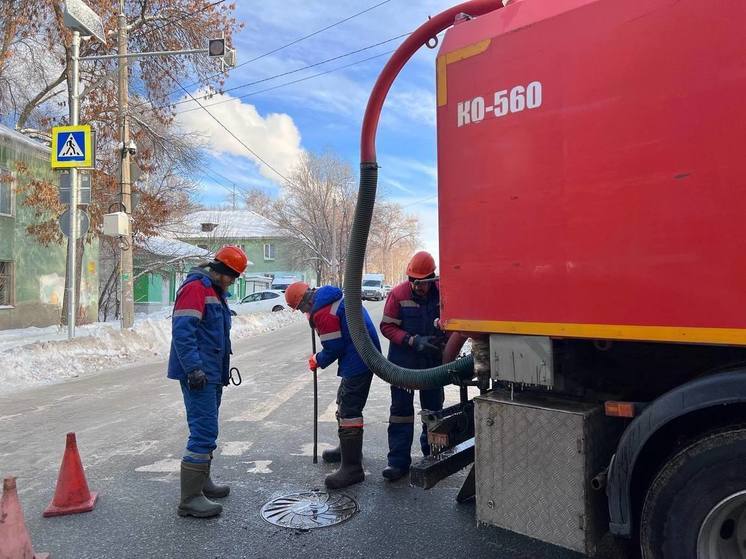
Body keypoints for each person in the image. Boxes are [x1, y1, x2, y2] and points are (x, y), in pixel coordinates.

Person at [167, 245, 248, 518]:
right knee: (203, 432)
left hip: (212, 373)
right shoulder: (196, 288)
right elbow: (182, 332)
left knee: (208, 430)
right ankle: (189, 499)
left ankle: (202, 483)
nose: (233, 282)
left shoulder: (215, 291)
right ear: (222, 271)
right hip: (199, 374)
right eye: (232, 276)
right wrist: (193, 369)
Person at [285, 280, 381, 489]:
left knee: (349, 410)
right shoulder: (331, 299)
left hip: (359, 359)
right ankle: (347, 451)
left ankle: (352, 468)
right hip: (363, 355)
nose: (303, 313)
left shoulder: (323, 312)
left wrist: (317, 359)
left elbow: (334, 347)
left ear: (304, 303)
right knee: (344, 401)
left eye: (301, 309)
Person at [380, 251, 446, 481]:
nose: (417, 286)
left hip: (431, 364)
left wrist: (441, 342)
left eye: (422, 282)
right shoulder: (398, 294)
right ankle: (397, 463)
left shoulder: (442, 292)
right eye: (413, 281)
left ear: (431, 278)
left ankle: (433, 458)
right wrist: (412, 340)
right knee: (400, 413)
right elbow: (387, 327)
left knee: (433, 413)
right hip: (403, 364)